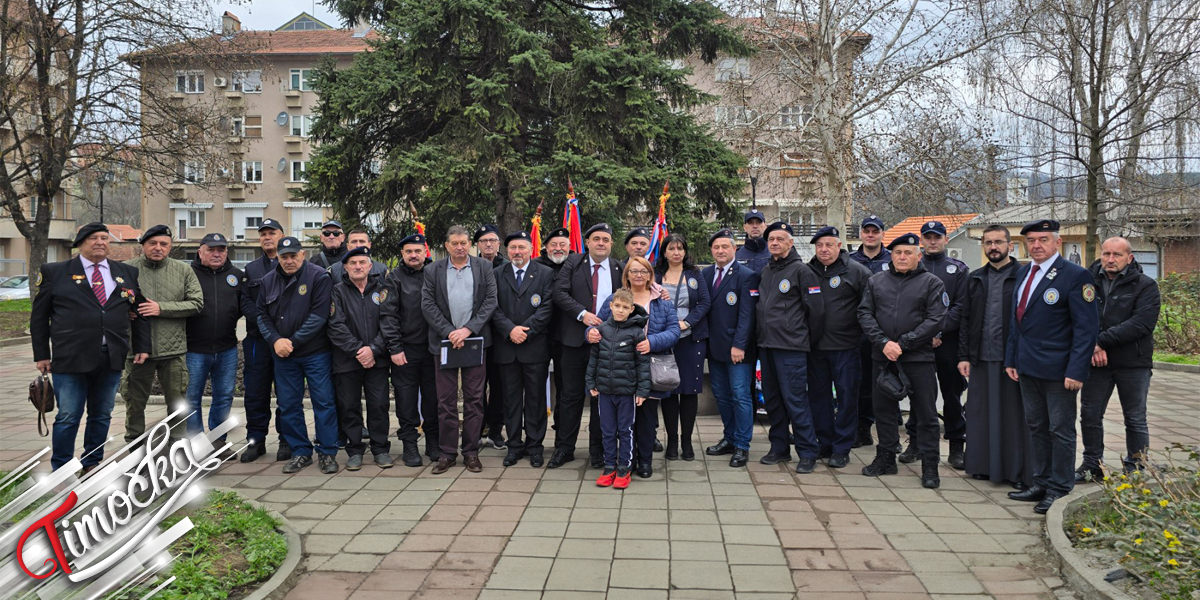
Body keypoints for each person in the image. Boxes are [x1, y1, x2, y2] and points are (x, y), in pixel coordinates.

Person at [31, 223, 150, 472]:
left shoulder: (125, 272)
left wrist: (142, 345)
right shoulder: (56, 272)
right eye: (93, 238)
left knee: (102, 414)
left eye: (104, 238)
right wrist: (42, 354)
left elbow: (138, 310)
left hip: (111, 356)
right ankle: (62, 467)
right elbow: (39, 317)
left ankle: (92, 462)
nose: (100, 242)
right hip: (70, 357)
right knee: (68, 416)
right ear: (80, 242)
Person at [1005, 219, 1098, 514]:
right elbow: (1016, 323)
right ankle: (1040, 481)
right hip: (1028, 367)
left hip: (1060, 371)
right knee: (1036, 427)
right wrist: (1012, 358)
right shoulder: (1024, 273)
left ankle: (1059, 488)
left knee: (1060, 429)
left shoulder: (1075, 276)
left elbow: (1086, 329)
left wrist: (1076, 370)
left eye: (1043, 239)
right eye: (1031, 240)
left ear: (1057, 242)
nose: (1036, 245)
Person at [858, 233, 947, 488]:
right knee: (884, 412)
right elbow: (864, 313)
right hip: (883, 357)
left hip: (918, 358)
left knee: (927, 414)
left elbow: (936, 319)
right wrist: (884, 343)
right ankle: (886, 458)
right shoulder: (876, 282)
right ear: (891, 255)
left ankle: (930, 466)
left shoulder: (932, 283)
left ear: (918, 256)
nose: (902, 257)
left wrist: (904, 343)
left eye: (908, 253)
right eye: (898, 253)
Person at [1077, 237, 1160, 480]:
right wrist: (1093, 345)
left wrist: (1100, 341)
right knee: (1090, 415)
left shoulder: (1145, 286)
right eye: (1106, 254)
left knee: (1135, 418)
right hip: (1096, 362)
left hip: (1133, 363)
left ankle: (1136, 466)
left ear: (1129, 258)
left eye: (1117, 255)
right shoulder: (1087, 282)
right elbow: (1079, 315)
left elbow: (1141, 324)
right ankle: (1093, 465)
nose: (1110, 260)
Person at [589, 256, 680, 478]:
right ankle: (623, 462)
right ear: (627, 275)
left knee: (646, 417)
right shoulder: (615, 299)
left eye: (643, 271)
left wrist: (652, 342)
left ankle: (645, 461)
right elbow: (599, 326)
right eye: (634, 271)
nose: (639, 275)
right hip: (619, 370)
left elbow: (674, 330)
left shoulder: (662, 300)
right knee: (621, 422)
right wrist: (589, 333)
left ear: (650, 274)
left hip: (647, 365)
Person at [958, 225, 1033, 489]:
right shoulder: (975, 278)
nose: (993, 247)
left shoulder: (1025, 276)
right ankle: (983, 466)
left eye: (998, 242)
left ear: (1010, 246)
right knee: (982, 415)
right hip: (982, 356)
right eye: (988, 242)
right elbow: (965, 319)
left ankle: (1016, 471)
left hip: (1014, 359)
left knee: (1014, 416)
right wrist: (964, 355)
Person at [258, 236, 339, 474]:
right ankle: (301, 451)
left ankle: (327, 452)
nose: (289, 260)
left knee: (323, 402)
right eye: (284, 257)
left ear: (302, 255)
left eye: (294, 255)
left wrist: (291, 342)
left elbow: (319, 315)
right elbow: (261, 315)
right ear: (278, 258)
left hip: (315, 353)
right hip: (283, 355)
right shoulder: (267, 281)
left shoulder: (318, 277)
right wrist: (275, 341)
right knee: (288, 405)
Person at [422, 225, 499, 474]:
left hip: (474, 341)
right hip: (444, 343)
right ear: (446, 245)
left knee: (475, 400)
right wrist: (449, 332)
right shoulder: (433, 269)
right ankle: (446, 453)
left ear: (470, 244)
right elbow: (428, 304)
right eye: (454, 243)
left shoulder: (484, 267)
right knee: (445, 401)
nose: (459, 247)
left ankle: (471, 452)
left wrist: (467, 330)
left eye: (464, 243)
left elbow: (490, 302)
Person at [121, 224, 204, 442]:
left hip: (173, 351)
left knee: (178, 405)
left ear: (170, 247)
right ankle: (134, 449)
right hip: (137, 351)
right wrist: (124, 312)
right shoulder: (126, 269)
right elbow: (109, 304)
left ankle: (177, 447)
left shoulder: (184, 270)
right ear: (143, 245)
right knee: (134, 404)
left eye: (163, 244)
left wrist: (161, 308)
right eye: (153, 243)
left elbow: (196, 303)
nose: (158, 248)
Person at [551, 223, 623, 468]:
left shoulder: (617, 268)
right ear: (588, 242)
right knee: (570, 397)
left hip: (604, 344)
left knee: (600, 399)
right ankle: (565, 448)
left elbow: (630, 297)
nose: (601, 243)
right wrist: (582, 315)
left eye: (605, 239)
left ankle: (598, 451)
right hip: (573, 342)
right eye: (596, 239)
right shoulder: (573, 264)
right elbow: (559, 293)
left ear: (611, 244)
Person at [755, 221, 825, 473]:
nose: (774, 243)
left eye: (780, 239)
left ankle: (807, 452)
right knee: (772, 401)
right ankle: (779, 448)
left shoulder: (802, 271)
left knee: (795, 400)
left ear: (791, 242)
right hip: (767, 346)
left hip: (791, 348)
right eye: (771, 239)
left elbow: (816, 313)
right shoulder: (767, 270)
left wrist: (804, 340)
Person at [898, 221, 969, 469]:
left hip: (947, 343)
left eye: (937, 237)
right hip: (919, 343)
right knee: (919, 395)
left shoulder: (958, 269)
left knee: (951, 395)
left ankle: (956, 446)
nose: (932, 241)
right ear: (921, 241)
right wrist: (924, 334)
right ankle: (915, 443)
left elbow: (960, 306)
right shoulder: (912, 267)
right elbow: (907, 306)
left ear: (946, 240)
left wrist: (938, 331)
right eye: (927, 237)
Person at [806, 226, 871, 468]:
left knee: (846, 399)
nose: (824, 249)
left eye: (829, 245)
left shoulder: (857, 272)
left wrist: (862, 337)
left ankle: (842, 447)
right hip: (815, 349)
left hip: (846, 348)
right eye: (820, 245)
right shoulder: (807, 271)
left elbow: (870, 307)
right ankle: (825, 442)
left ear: (839, 246)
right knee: (819, 399)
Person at [492, 231, 554, 467]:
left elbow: (547, 308)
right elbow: (492, 306)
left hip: (534, 347)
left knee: (536, 399)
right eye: (513, 248)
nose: (517, 252)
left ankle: (535, 445)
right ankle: (514, 445)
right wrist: (510, 330)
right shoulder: (497, 274)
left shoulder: (545, 274)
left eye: (522, 247)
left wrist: (525, 330)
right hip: (507, 347)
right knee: (511, 400)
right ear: (507, 251)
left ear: (531, 249)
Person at [327, 246, 393, 470]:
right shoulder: (337, 291)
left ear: (370, 266)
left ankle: (380, 449)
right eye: (353, 263)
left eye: (362, 262)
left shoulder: (383, 289)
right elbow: (336, 326)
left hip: (377, 360)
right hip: (348, 361)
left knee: (379, 405)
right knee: (349, 406)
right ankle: (354, 450)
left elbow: (390, 322)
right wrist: (359, 351)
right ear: (345, 267)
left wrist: (373, 350)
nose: (357, 267)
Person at [380, 233, 439, 466]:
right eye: (408, 251)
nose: (413, 255)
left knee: (433, 399)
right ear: (402, 254)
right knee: (406, 399)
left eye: (417, 251)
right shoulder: (393, 279)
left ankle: (433, 442)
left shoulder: (436, 273)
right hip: (405, 350)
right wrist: (394, 347)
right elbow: (387, 316)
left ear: (425, 251)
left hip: (434, 349)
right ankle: (410, 444)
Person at [702, 229, 758, 468]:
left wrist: (739, 345)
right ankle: (730, 437)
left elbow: (747, 315)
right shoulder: (705, 274)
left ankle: (742, 446)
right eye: (716, 247)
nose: (721, 251)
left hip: (737, 351)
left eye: (725, 246)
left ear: (735, 249)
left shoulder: (746, 275)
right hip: (714, 349)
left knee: (740, 396)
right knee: (722, 397)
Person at [185, 233, 248, 442]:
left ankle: (218, 441)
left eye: (221, 249)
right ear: (200, 251)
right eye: (211, 249)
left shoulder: (236, 275)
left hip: (226, 348)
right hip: (194, 349)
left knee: (224, 396)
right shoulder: (188, 273)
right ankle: (197, 443)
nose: (216, 254)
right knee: (192, 398)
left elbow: (240, 308)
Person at [588, 288, 652, 489]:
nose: (620, 310)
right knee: (607, 430)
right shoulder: (602, 331)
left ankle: (624, 467)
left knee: (625, 430)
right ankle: (609, 467)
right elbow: (594, 359)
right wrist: (591, 382)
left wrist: (642, 391)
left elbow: (643, 364)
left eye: (625, 307)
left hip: (626, 393)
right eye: (617, 306)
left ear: (631, 309)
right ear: (610, 306)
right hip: (605, 391)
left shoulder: (636, 332)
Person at [655, 234, 711, 461]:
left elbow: (705, 303)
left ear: (685, 252)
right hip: (665, 340)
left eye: (680, 248)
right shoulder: (656, 274)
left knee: (688, 392)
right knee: (668, 391)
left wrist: (686, 322)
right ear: (665, 252)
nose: (676, 252)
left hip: (690, 339)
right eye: (671, 248)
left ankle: (687, 441)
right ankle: (672, 441)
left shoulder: (695, 274)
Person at [240, 218, 289, 462]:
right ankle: (255, 440)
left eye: (272, 233)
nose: (267, 237)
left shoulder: (291, 263)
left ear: (282, 235)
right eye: (263, 234)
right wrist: (263, 323)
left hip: (284, 341)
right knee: (255, 393)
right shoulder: (251, 269)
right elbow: (247, 302)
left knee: (286, 392)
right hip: (258, 339)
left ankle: (285, 441)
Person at [848, 215, 891, 448]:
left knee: (884, 383)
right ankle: (862, 428)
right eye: (867, 231)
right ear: (862, 234)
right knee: (859, 382)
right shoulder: (850, 260)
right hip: (857, 332)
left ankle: (889, 432)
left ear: (882, 233)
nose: (871, 235)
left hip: (886, 333)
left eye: (875, 231)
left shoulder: (893, 259)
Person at [533, 227, 572, 434]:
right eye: (554, 245)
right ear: (545, 247)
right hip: (539, 336)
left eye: (562, 244)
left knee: (566, 387)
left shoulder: (576, 265)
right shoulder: (535, 266)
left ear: (569, 247)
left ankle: (562, 432)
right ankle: (535, 436)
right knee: (537, 387)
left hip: (567, 337)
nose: (558, 249)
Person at [475, 223, 508, 449]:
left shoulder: (506, 267)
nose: (488, 244)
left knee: (499, 387)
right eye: (484, 240)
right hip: (475, 335)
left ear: (499, 243)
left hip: (501, 337)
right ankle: (476, 430)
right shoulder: (469, 266)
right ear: (477, 245)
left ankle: (496, 430)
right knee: (475, 387)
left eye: (492, 240)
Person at [735, 208, 770, 273]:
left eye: (758, 222)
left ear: (765, 226)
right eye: (750, 223)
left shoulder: (774, 253)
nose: (755, 226)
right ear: (745, 227)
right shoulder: (737, 255)